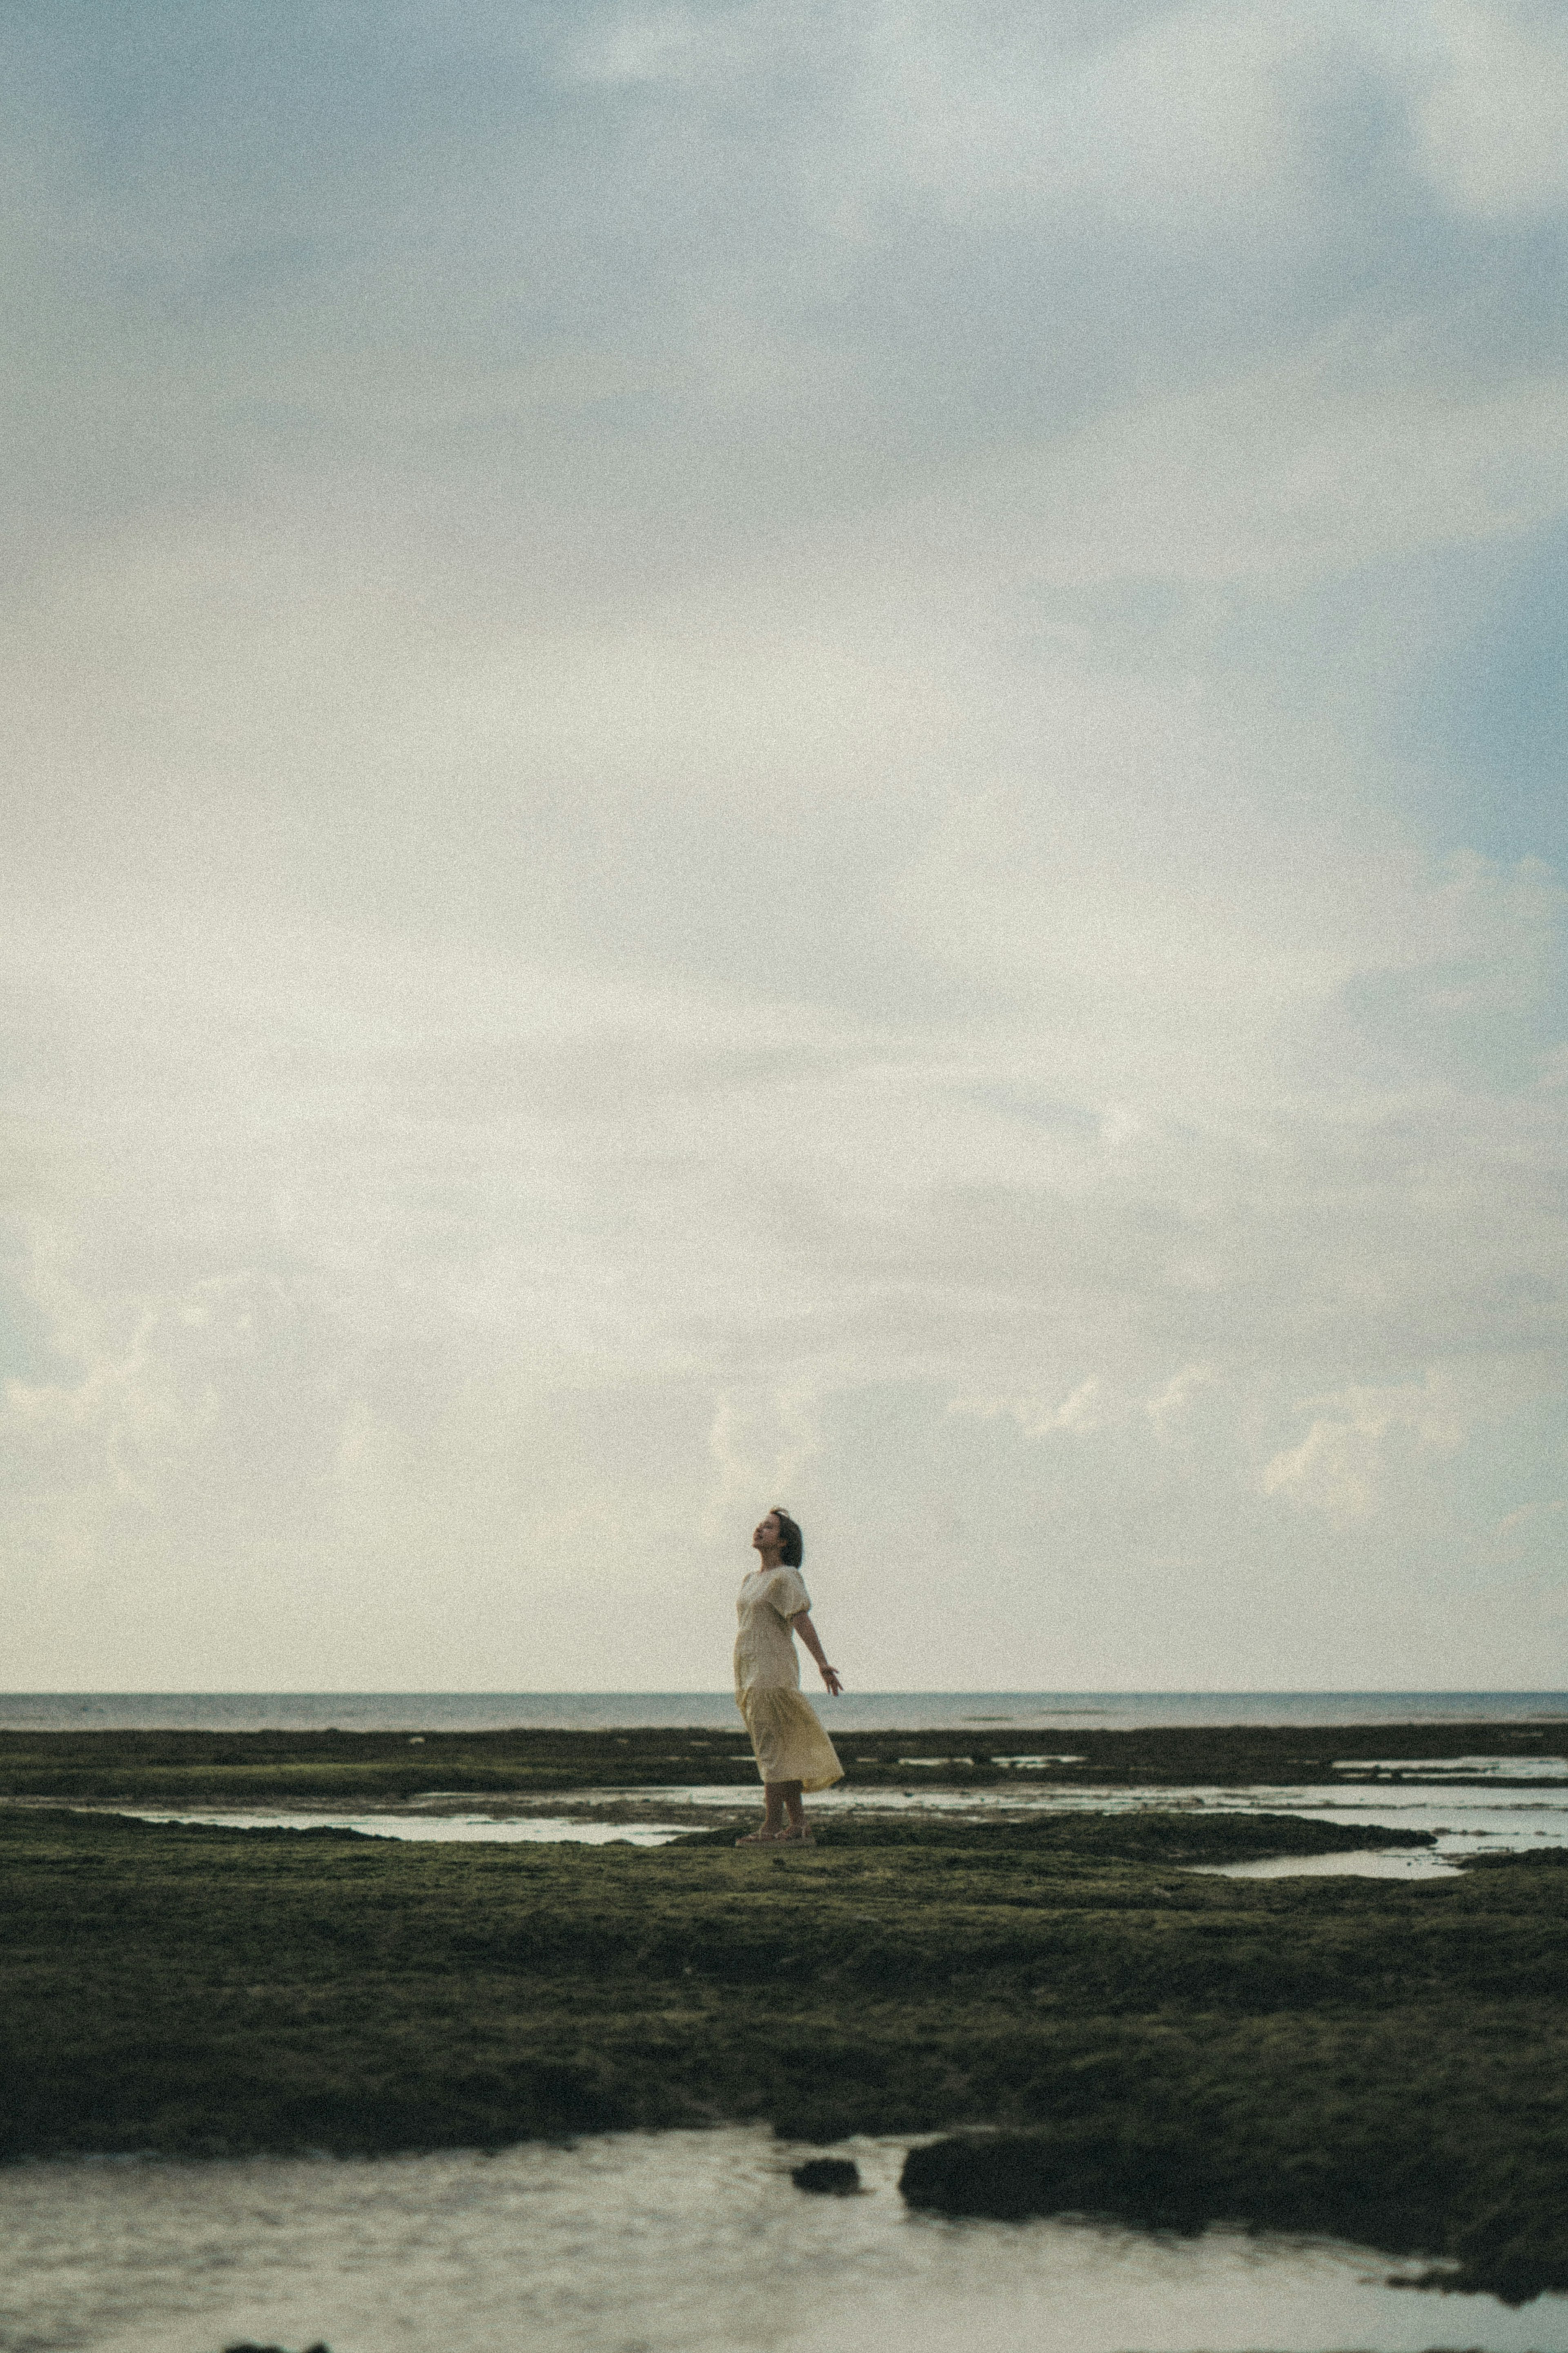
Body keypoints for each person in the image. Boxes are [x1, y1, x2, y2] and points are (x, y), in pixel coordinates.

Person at [733, 1506, 843, 1846]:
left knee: (772, 1751)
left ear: (782, 1541)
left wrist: (822, 1664)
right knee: (782, 1750)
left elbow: (801, 1620)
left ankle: (770, 1828)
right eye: (760, 1525)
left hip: (772, 1672)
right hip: (748, 1671)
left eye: (769, 1527)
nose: (760, 1529)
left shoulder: (787, 1576)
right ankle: (799, 1826)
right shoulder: (751, 1580)